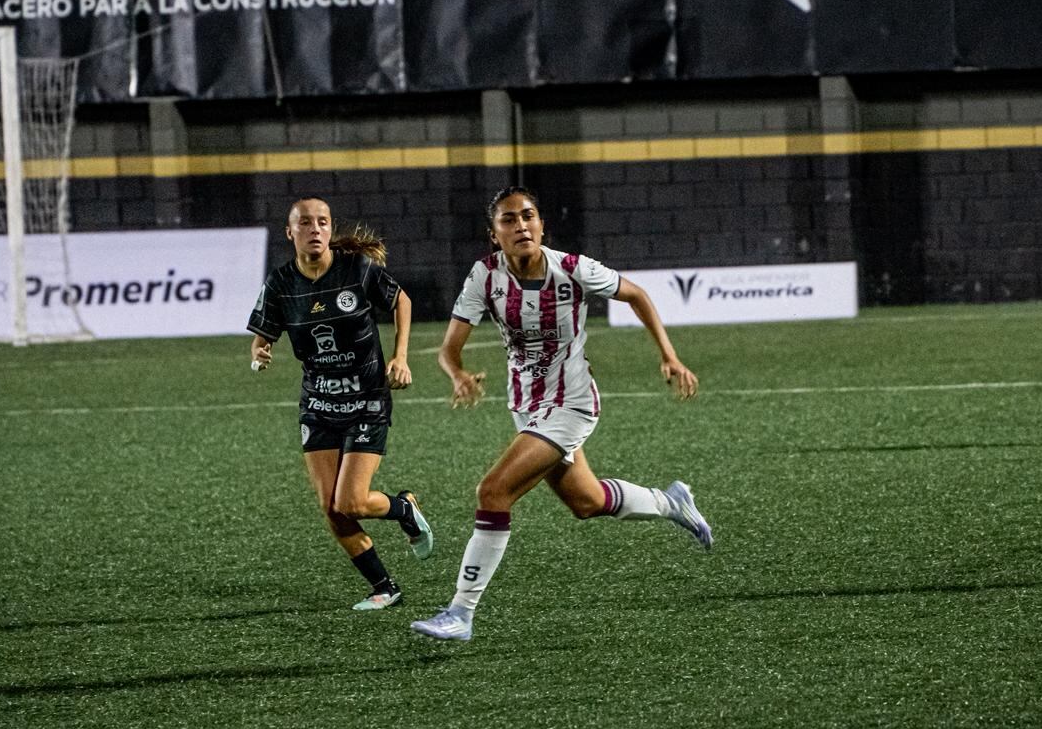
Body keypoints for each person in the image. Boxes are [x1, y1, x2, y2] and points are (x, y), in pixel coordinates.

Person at [410, 185, 712, 642]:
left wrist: (669, 356)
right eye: (508, 220)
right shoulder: (484, 277)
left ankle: (461, 612)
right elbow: (449, 350)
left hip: (571, 404)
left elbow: (638, 295)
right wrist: (457, 375)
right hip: (526, 407)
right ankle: (671, 502)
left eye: (528, 216)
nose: (521, 226)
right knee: (586, 502)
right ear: (494, 235)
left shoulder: (571, 268)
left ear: (542, 225)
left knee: (492, 492)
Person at [248, 196, 433, 611]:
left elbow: (401, 300)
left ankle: (403, 508)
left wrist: (401, 356)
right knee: (331, 507)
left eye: (323, 222)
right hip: (318, 403)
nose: (315, 229)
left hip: (366, 398)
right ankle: (385, 587)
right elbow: (262, 335)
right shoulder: (280, 284)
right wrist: (259, 352)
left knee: (350, 501)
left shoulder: (357, 269)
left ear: (331, 230)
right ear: (290, 232)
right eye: (306, 223)